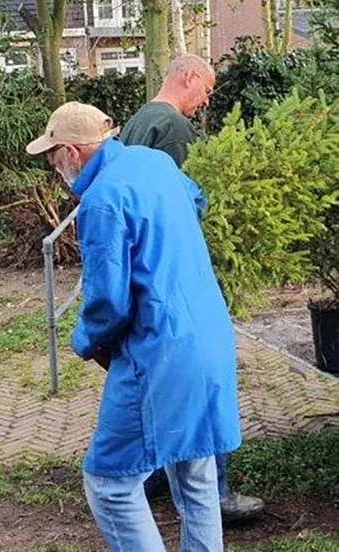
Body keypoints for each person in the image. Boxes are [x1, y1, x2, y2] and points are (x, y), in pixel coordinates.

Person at [27, 103, 241, 551]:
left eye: (52, 156)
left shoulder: (101, 201)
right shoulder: (155, 162)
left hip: (161, 351)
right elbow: (197, 200)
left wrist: (84, 341)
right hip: (210, 333)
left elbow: (109, 302)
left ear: (72, 151)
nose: (53, 167)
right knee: (196, 474)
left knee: (110, 483)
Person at [121, 54, 265, 521]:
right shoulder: (174, 130)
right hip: (177, 272)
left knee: (159, 382)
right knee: (205, 381)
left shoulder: (138, 121)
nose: (206, 100)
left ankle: (154, 477)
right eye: (206, 88)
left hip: (143, 271)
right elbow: (188, 205)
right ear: (187, 77)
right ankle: (213, 494)